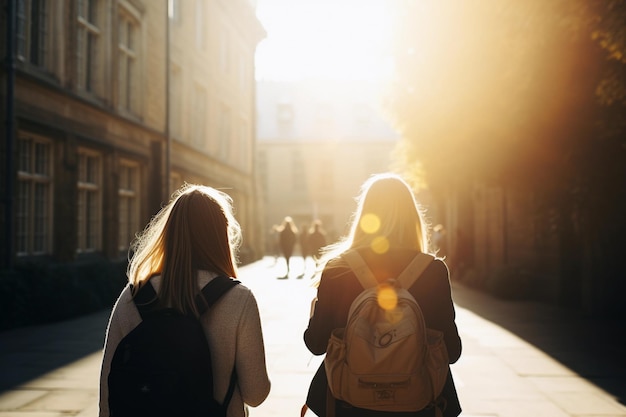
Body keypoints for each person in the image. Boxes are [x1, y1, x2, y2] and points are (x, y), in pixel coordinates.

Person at [99, 184, 271, 417]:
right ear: (221, 235)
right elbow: (256, 393)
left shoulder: (133, 296)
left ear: (168, 233)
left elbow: (108, 390)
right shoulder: (238, 299)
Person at [303, 173, 462, 417]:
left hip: (348, 404)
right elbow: (451, 352)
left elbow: (316, 344)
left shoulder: (338, 269)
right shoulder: (432, 270)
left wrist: (316, 314)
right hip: (417, 405)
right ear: (413, 217)